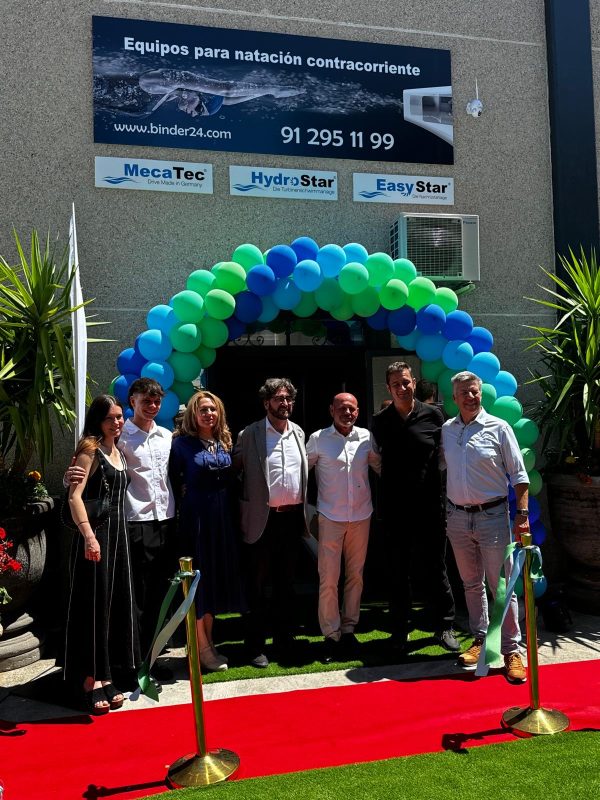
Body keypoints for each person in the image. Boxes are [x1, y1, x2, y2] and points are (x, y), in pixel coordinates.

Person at [67, 377, 175, 679]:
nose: (152, 406)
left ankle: (152, 658)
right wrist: (68, 477)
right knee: (134, 598)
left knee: (159, 597)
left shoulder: (167, 436)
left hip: (166, 521)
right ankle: (132, 663)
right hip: (133, 524)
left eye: (156, 401)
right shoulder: (120, 436)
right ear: (133, 403)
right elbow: (89, 467)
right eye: (146, 401)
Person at [442, 371, 529, 683]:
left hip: (492, 516)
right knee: (470, 584)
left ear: (481, 393)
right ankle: (480, 640)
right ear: (454, 398)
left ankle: (511, 650)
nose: (470, 397)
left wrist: (522, 514)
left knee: (501, 586)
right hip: (457, 517)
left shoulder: (499, 427)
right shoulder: (447, 430)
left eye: (474, 391)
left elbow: (519, 474)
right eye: (464, 392)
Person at [371, 362, 458, 654]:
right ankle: (400, 630)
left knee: (436, 567)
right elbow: (375, 459)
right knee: (397, 571)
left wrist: (426, 481)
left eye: (406, 382)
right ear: (388, 388)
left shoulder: (434, 415)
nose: (402, 388)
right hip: (394, 509)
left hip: (430, 506)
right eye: (396, 384)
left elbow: (444, 457)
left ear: (414, 382)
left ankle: (444, 625)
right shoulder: (380, 421)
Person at [63, 395, 140, 714]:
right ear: (98, 420)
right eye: (110, 418)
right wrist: (89, 536)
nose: (117, 422)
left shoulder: (117, 450)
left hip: (119, 539)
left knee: (114, 606)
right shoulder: (89, 450)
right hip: (97, 539)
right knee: (94, 608)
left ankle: (107, 674)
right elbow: (74, 497)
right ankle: (89, 679)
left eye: (120, 416)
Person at [232, 378, 308, 668]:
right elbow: (235, 471)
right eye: (279, 399)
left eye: (288, 398)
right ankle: (254, 645)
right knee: (257, 585)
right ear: (267, 403)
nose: (285, 403)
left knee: (285, 585)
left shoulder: (298, 432)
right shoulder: (249, 434)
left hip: (291, 519)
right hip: (261, 520)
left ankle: (283, 640)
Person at [169, 390, 245, 672]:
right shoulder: (181, 445)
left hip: (222, 520)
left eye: (213, 409)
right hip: (197, 521)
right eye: (203, 409)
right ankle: (199, 648)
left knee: (213, 582)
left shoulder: (222, 441)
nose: (208, 414)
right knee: (199, 584)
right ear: (193, 413)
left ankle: (208, 643)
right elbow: (172, 482)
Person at [306, 393, 380, 663]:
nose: (347, 412)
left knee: (356, 576)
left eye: (352, 409)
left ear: (358, 412)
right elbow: (300, 471)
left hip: (361, 515)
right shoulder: (318, 439)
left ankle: (349, 629)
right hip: (330, 517)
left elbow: (380, 466)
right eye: (342, 408)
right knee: (328, 578)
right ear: (331, 410)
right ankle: (331, 634)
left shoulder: (366, 437)